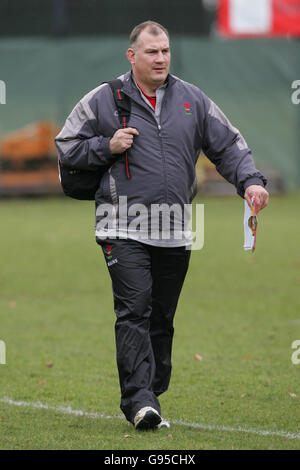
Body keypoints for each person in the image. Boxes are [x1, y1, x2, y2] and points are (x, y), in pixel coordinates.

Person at [55, 20, 269, 430]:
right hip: (122, 226)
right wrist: (107, 145)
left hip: (175, 227)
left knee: (162, 317)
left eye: (166, 51)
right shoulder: (103, 99)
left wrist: (252, 182)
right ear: (132, 56)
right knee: (134, 309)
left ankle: (151, 391)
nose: (161, 58)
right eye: (152, 52)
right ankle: (139, 403)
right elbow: (67, 148)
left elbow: (227, 144)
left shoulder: (192, 99)